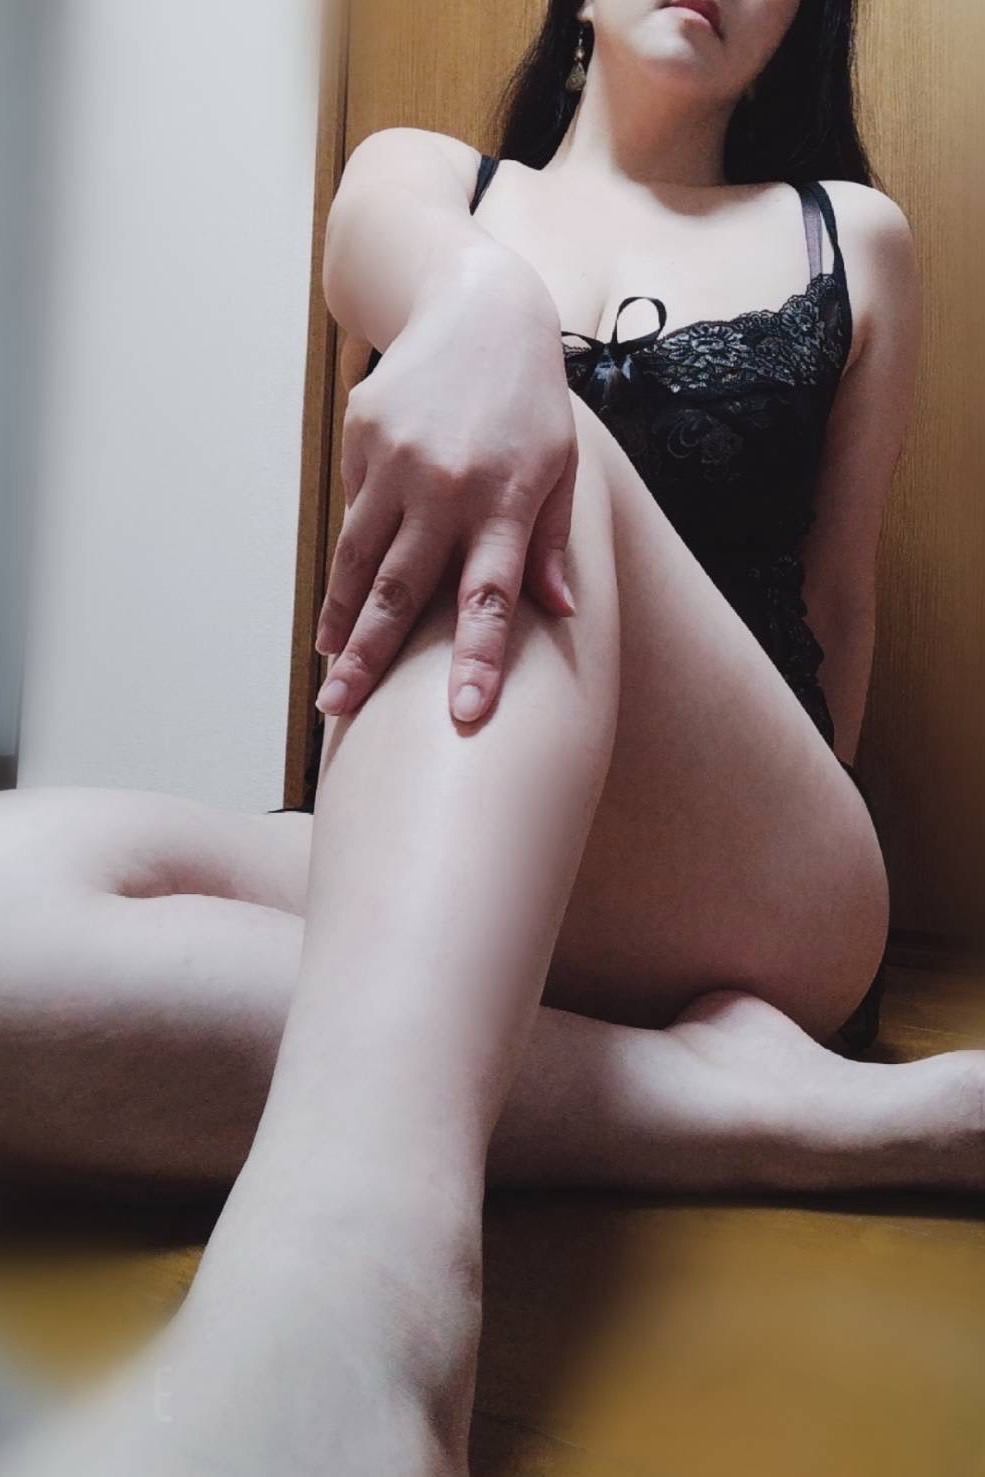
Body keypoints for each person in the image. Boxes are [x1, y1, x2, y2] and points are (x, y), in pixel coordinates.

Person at [4, 1, 981, 1473]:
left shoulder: (850, 234)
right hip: (450, 826)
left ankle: (352, 1314)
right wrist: (491, 303)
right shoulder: (423, 180)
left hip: (744, 877)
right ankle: (743, 1108)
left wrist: (788, 882)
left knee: (532, 446)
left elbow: (838, 605)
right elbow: (377, 253)